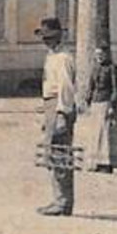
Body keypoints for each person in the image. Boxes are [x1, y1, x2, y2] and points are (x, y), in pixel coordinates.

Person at [35, 17, 77, 216]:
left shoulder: (64, 58)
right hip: (51, 105)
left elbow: (66, 88)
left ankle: (63, 202)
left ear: (58, 37)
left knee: (61, 154)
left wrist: (62, 113)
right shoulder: (52, 56)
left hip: (60, 107)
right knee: (52, 154)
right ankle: (58, 199)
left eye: (50, 38)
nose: (46, 41)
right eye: (44, 38)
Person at [86, 46, 117, 173]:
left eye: (101, 54)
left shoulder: (112, 69)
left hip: (106, 103)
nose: (99, 57)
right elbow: (91, 86)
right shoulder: (94, 68)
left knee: (107, 135)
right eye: (97, 54)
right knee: (95, 134)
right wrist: (88, 100)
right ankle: (95, 162)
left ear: (107, 55)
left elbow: (116, 89)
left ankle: (107, 164)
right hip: (96, 103)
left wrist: (112, 105)